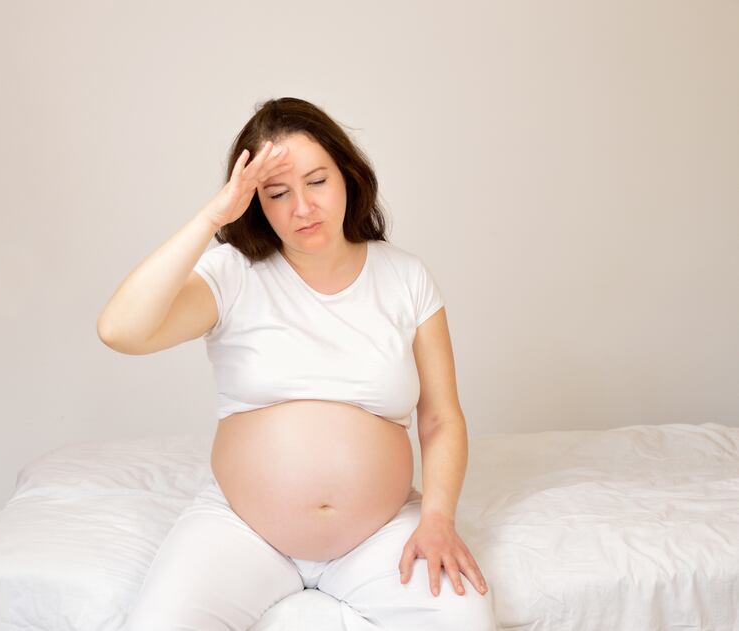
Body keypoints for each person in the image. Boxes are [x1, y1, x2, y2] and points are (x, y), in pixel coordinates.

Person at [98, 97, 494, 630]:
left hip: (379, 533)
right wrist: (213, 216)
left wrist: (438, 518)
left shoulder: (406, 278)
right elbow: (121, 330)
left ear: (347, 176)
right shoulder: (232, 274)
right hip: (242, 529)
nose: (302, 208)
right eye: (277, 193)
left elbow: (442, 417)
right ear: (253, 202)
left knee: (465, 620)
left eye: (317, 182)